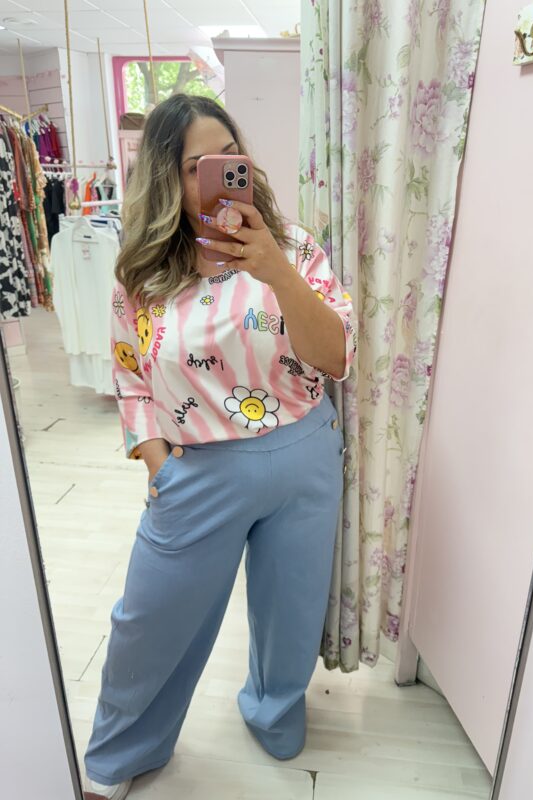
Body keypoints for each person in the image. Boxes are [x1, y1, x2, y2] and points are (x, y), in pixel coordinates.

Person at [83, 93, 356, 800]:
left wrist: (276, 270)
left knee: (290, 612)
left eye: (229, 156)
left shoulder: (293, 247)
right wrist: (156, 463)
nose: (219, 174)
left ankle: (274, 712)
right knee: (149, 621)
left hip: (303, 456)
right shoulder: (142, 273)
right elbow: (130, 376)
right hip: (197, 471)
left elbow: (335, 356)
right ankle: (117, 752)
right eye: (196, 165)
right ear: (167, 180)